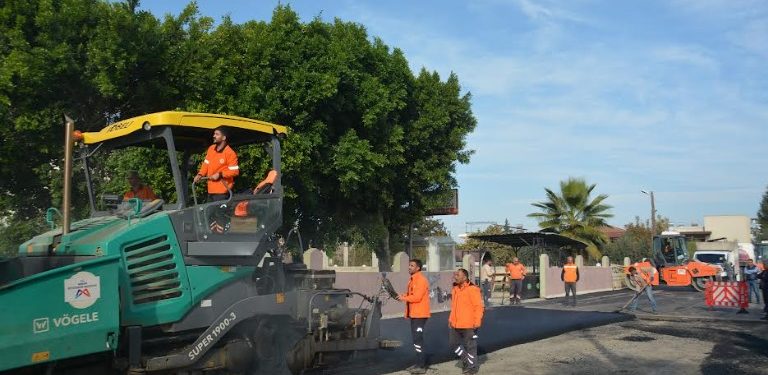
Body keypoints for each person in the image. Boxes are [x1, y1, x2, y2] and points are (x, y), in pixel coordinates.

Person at [448, 268, 484, 375]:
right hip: (455, 324)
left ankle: (472, 368)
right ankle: (466, 360)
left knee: (470, 346)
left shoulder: (473, 289)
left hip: (469, 324)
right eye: (455, 275)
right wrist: (450, 319)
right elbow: (453, 307)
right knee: (453, 344)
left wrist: (477, 321)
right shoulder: (455, 289)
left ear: (464, 277)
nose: (455, 277)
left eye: (458, 275)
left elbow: (478, 307)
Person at [398, 259, 431, 374]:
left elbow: (417, 297)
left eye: (412, 266)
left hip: (420, 315)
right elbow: (410, 294)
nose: (409, 267)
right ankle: (418, 363)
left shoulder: (421, 280)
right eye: (409, 265)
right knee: (416, 340)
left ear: (418, 268)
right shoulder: (412, 280)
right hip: (414, 314)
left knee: (418, 339)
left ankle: (421, 366)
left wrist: (403, 298)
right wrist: (401, 296)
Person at [193, 126, 239, 202]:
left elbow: (235, 172)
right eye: (214, 134)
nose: (214, 136)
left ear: (224, 138)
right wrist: (200, 174)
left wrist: (220, 174)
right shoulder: (211, 149)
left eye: (217, 134)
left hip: (223, 192)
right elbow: (206, 164)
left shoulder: (230, 153)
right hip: (210, 191)